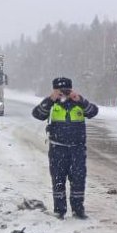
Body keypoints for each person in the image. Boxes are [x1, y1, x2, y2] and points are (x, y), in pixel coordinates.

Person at [32, 77, 99, 219]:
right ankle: (59, 209)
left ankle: (78, 209)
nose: (63, 93)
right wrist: (50, 99)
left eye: (66, 90)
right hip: (58, 148)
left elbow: (93, 112)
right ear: (54, 90)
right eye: (60, 90)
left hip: (77, 149)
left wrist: (80, 99)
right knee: (58, 179)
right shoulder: (51, 104)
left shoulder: (78, 103)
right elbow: (37, 114)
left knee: (78, 179)